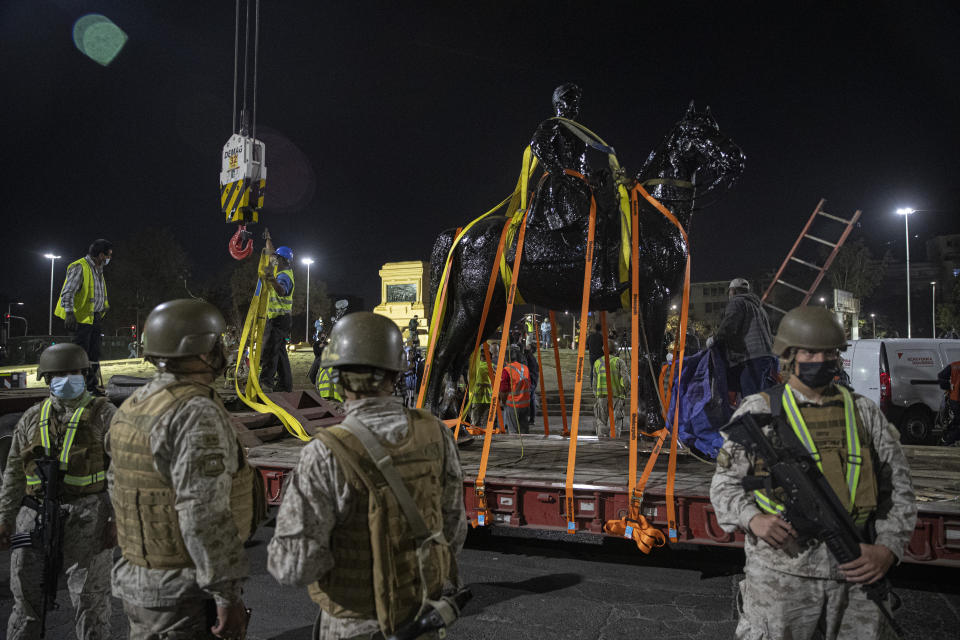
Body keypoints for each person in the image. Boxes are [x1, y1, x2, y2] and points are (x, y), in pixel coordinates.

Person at [710, 306, 916, 639]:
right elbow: (725, 487)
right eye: (810, 351)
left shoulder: (864, 412)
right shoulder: (759, 410)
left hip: (857, 572)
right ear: (789, 356)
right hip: (780, 576)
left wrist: (887, 550)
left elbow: (900, 490)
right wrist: (753, 519)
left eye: (829, 352)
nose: (821, 360)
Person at [267, 311, 467, 639]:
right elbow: (454, 530)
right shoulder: (435, 434)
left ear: (340, 377)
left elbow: (293, 567)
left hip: (353, 627)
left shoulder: (326, 453)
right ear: (396, 374)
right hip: (421, 619)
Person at [108, 299, 258, 639]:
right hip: (184, 592)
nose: (224, 349)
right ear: (202, 351)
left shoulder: (132, 405)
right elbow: (203, 512)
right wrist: (226, 595)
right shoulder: (194, 411)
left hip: (141, 581)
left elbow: (117, 485)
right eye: (218, 341)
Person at [0, 343, 116, 639]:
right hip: (35, 514)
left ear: (84, 375)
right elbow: (13, 473)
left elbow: (122, 472)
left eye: (73, 372)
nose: (67, 378)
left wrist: (117, 519)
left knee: (91, 602)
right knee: (26, 603)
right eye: (59, 374)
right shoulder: (31, 417)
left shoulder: (105, 415)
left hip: (88, 514)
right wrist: (5, 518)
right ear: (47, 378)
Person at [54, 238, 113, 393]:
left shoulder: (98, 270)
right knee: (79, 355)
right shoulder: (80, 267)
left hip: (94, 318)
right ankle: (78, 389)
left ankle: (91, 387)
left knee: (94, 355)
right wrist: (69, 313)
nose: (109, 259)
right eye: (108, 255)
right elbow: (68, 292)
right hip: (80, 320)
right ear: (100, 255)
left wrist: (103, 310)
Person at [708, 278, 777, 400]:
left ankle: (753, 418)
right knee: (762, 395)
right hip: (767, 356)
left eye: (729, 292)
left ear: (733, 291)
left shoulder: (737, 302)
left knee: (750, 397)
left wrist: (715, 339)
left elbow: (730, 325)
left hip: (751, 356)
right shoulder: (759, 308)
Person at [258, 230, 295, 392]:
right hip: (282, 319)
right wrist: (268, 239)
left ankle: (266, 383)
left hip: (278, 319)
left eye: (277, 259)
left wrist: (271, 279)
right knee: (279, 353)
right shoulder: (281, 268)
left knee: (269, 351)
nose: (274, 260)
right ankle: (285, 385)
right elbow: (271, 253)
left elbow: (282, 291)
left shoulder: (284, 276)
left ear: (283, 261)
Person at [593, 352, 629, 437]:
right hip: (616, 396)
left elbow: (594, 382)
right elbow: (626, 379)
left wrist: (596, 395)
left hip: (601, 397)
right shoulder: (619, 362)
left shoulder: (597, 362)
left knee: (601, 423)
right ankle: (614, 443)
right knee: (615, 424)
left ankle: (601, 445)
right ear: (616, 351)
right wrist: (625, 391)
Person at [499, 346, 532, 434]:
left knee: (513, 430)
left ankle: (515, 446)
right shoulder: (524, 367)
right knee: (524, 430)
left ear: (504, 359)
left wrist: (503, 402)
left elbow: (503, 390)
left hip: (512, 404)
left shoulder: (506, 370)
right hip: (525, 404)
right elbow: (529, 384)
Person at [938, 359, 960, 445]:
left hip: (954, 398)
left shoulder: (955, 365)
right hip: (957, 399)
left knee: (957, 421)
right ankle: (948, 442)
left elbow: (941, 375)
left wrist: (947, 387)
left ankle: (946, 436)